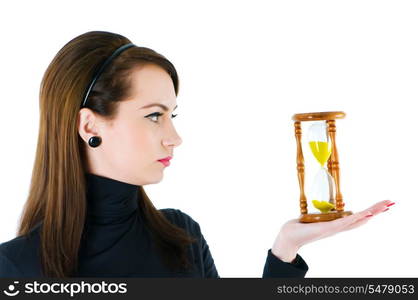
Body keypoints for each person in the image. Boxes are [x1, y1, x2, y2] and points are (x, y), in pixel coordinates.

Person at [0, 31, 394, 278]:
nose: (174, 137)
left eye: (172, 115)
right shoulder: (16, 267)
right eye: (154, 115)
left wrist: (285, 250)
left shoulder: (180, 236)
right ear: (90, 126)